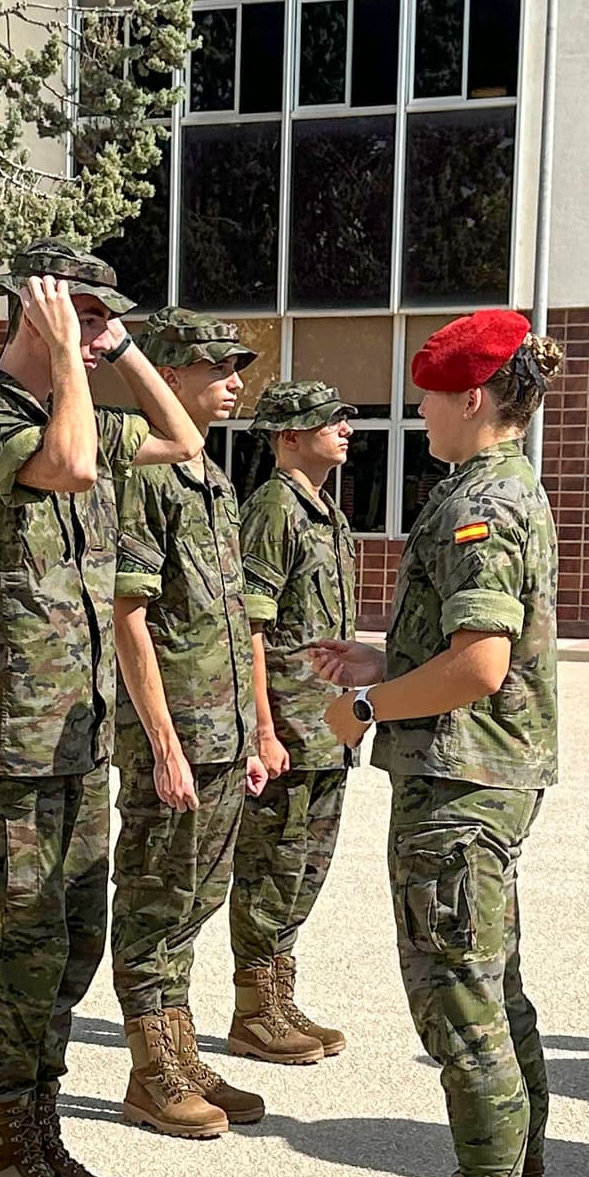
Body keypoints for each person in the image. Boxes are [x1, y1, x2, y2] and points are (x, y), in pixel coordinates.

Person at [0, 240, 203, 1177]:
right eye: (87, 318)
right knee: (18, 944)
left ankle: (42, 1140)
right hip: (15, 732)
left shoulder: (76, 393)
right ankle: (3, 1157)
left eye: (103, 323)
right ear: (38, 312)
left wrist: (124, 350)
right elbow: (75, 464)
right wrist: (61, 354)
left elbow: (180, 442)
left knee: (68, 946)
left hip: (77, 730)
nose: (98, 338)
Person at [315, 309, 563, 1177]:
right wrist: (384, 664)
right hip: (476, 777)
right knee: (492, 995)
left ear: (470, 396)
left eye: (423, 393)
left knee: (459, 1004)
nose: (412, 410)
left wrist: (365, 707)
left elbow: (479, 666)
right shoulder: (487, 489)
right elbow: (464, 650)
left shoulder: (484, 505)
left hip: (459, 791)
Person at [109, 310, 268, 1136]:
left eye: (237, 366)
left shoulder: (214, 477)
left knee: (197, 897)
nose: (235, 379)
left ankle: (181, 1047)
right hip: (171, 736)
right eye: (217, 366)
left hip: (221, 734)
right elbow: (128, 615)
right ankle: (151, 1071)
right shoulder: (146, 475)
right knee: (151, 899)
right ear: (169, 376)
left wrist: (250, 730)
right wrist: (165, 743)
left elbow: (231, 618)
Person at [227, 381, 358, 1065]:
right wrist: (262, 729)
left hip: (327, 727)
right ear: (287, 436)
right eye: (329, 419)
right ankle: (254, 1011)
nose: (345, 426)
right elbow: (250, 626)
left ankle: (278, 995)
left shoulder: (324, 513)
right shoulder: (273, 510)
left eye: (344, 418)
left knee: (307, 868)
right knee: (271, 867)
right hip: (289, 729)